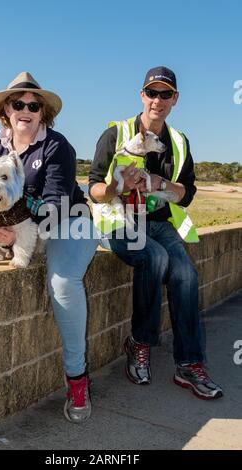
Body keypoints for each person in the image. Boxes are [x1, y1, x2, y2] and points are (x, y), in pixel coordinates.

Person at [0, 72, 99, 421]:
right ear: (6, 109)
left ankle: (77, 378)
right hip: (18, 230)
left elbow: (57, 206)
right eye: (18, 103)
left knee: (62, 284)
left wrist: (14, 235)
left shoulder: (57, 146)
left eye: (34, 105)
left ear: (43, 112)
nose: (26, 109)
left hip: (70, 225)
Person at [89, 66, 223, 400]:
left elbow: (187, 193)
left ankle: (189, 364)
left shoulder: (177, 142)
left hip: (161, 223)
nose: (157, 101)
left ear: (174, 99)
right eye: (152, 93)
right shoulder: (115, 134)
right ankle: (140, 342)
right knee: (154, 257)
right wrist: (115, 188)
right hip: (118, 220)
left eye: (165, 94)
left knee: (186, 275)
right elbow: (92, 187)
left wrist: (160, 184)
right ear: (141, 96)